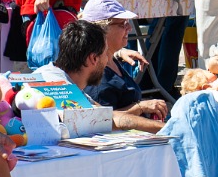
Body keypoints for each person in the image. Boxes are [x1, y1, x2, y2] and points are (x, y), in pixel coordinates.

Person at [41, 20, 172, 133]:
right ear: (93, 58)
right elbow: (106, 120)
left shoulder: (60, 79)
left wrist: (168, 128)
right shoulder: (59, 87)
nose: (109, 60)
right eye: (106, 54)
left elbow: (108, 116)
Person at [78, 0, 168, 119]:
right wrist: (141, 107)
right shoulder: (98, 77)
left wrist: (118, 53)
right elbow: (103, 119)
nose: (129, 28)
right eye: (122, 24)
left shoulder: (107, 59)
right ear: (102, 30)